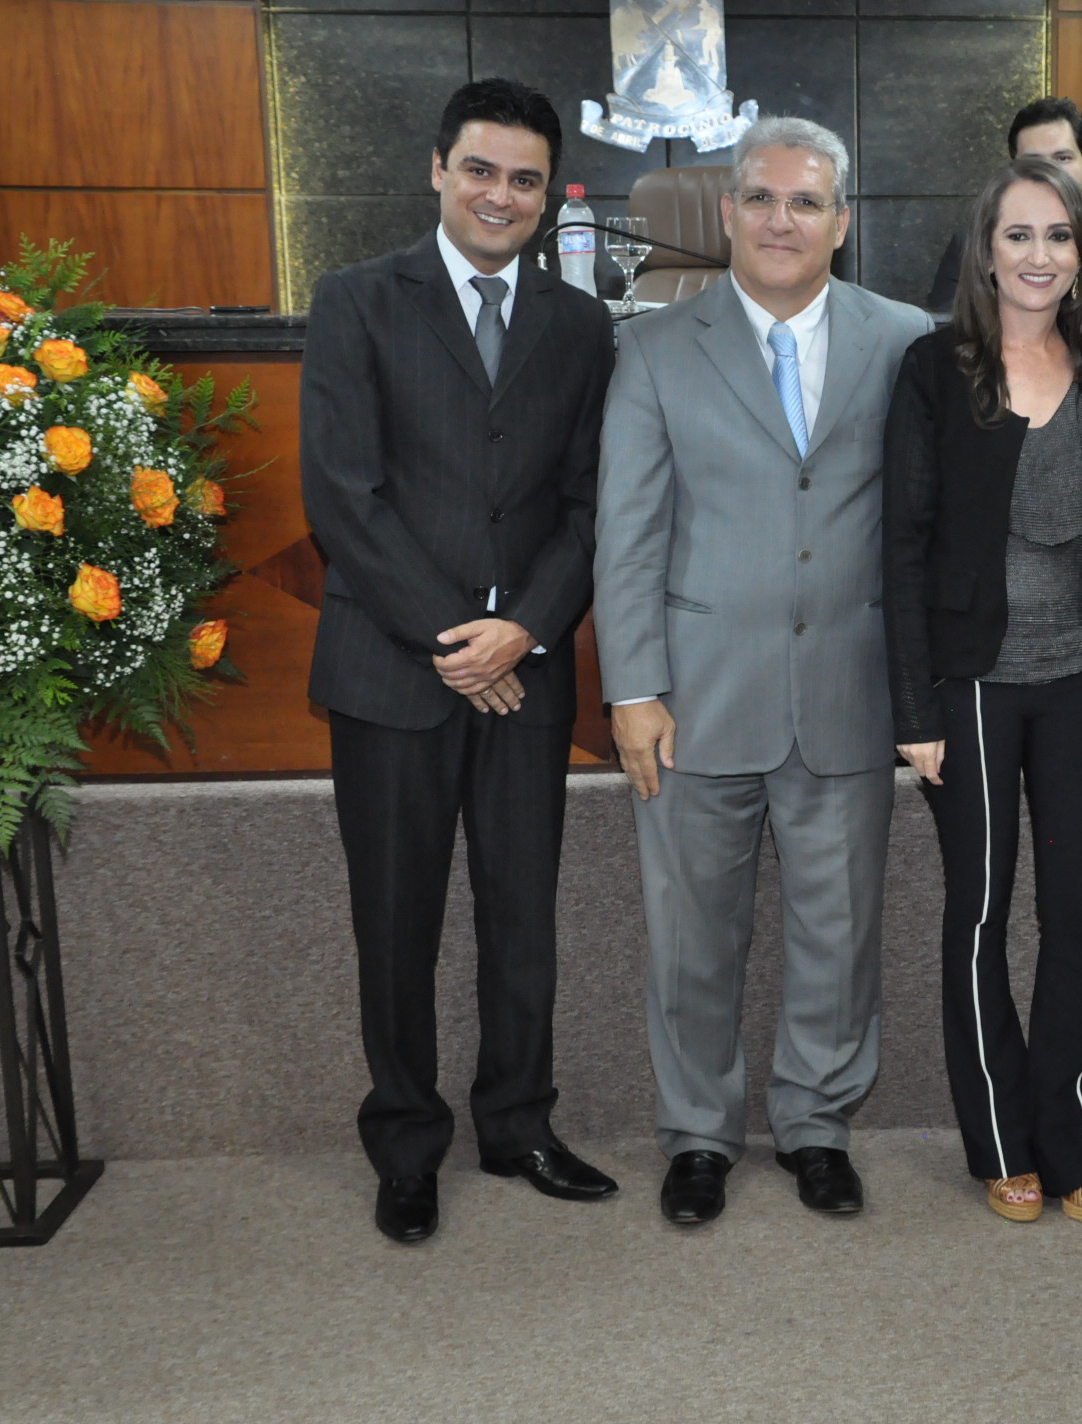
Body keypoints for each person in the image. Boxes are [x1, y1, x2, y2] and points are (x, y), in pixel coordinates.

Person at [595, 116, 934, 1227]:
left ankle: (816, 1125)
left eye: (805, 202)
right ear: (727, 213)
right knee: (691, 938)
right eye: (760, 198)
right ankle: (697, 1133)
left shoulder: (905, 339)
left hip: (849, 689)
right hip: (693, 699)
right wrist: (632, 690)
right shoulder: (653, 347)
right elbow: (627, 534)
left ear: (841, 222)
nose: (780, 220)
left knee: (838, 935)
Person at [299, 77, 619, 1246]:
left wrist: (521, 630)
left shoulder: (581, 325)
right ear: (437, 170)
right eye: (480, 170)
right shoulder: (356, 300)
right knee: (395, 919)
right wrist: (454, 638)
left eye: (524, 179)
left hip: (524, 668)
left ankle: (518, 1123)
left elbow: (588, 504)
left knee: (520, 915)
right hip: (391, 671)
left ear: (548, 195)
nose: (500, 195)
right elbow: (343, 496)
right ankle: (404, 1142)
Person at [884, 158, 1082, 1227]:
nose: (1038, 254)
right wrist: (912, 710)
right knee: (980, 913)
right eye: (1018, 234)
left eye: (1058, 235)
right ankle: (996, 1138)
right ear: (985, 251)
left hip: (1078, 683)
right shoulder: (936, 368)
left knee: (1077, 916)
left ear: (1080, 255)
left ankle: (1073, 1139)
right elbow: (899, 547)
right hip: (970, 686)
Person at [925, 97, 1082, 311]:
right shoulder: (971, 246)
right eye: (1033, 162)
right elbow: (951, 330)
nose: (1048, 172)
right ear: (1013, 171)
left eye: (1062, 158)